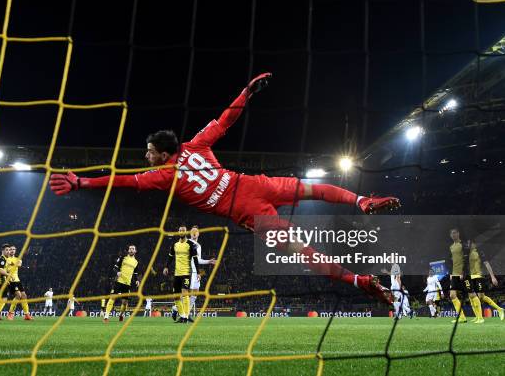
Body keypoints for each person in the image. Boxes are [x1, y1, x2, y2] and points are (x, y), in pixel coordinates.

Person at [49, 73, 400, 303]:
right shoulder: (197, 145)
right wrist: (247, 92)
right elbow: (226, 118)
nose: (146, 155)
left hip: (247, 211)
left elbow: (123, 180)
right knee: (313, 189)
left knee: (301, 251)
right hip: (253, 184)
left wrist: (83, 182)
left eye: (150, 151)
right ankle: (362, 200)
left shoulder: (162, 175)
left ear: (163, 154)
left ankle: (359, 281)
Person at [104, 245, 140, 323]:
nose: (131, 250)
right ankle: (106, 316)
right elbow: (115, 268)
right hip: (119, 281)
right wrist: (118, 272)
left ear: (135, 251)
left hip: (127, 284)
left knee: (124, 302)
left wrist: (137, 280)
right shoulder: (123, 258)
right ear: (128, 250)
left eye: (133, 249)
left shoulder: (136, 262)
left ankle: (121, 315)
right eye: (130, 249)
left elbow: (135, 273)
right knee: (112, 297)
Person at [188, 225, 216, 319]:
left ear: (198, 233)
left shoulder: (199, 246)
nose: (194, 233)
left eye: (196, 231)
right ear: (190, 233)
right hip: (189, 271)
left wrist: (209, 261)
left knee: (195, 293)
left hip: (196, 271)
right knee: (188, 293)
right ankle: (177, 309)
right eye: (193, 231)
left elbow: (198, 260)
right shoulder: (187, 243)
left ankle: (186, 313)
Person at [5, 245, 33, 321]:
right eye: (10, 249)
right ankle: (10, 314)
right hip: (11, 280)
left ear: (15, 251)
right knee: (18, 295)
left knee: (24, 296)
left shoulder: (17, 259)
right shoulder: (6, 259)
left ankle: (27, 315)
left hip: (17, 280)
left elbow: (19, 264)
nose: (12, 251)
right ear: (8, 251)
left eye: (14, 249)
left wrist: (13, 263)